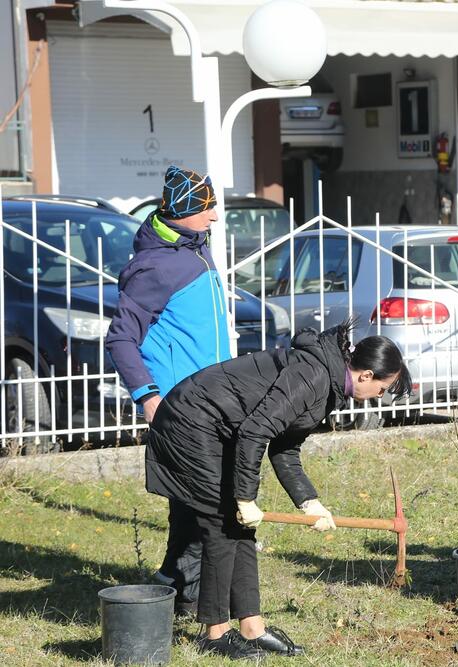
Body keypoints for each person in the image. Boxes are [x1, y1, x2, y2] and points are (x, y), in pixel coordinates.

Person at [145, 324, 411, 659]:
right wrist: (244, 497)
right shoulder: (313, 375)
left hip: (217, 426)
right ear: (366, 375)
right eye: (382, 388)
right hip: (191, 422)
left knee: (240, 525)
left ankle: (252, 627)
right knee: (221, 523)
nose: (379, 396)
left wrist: (309, 501)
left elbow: (283, 448)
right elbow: (257, 431)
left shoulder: (327, 384)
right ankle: (214, 633)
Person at [106, 165, 229, 616]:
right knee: (207, 506)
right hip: (182, 406)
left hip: (214, 400)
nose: (215, 216)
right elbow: (121, 338)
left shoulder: (194, 248)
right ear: (181, 211)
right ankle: (193, 600)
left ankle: (173, 588)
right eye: (206, 208)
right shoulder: (156, 266)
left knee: (191, 508)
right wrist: (148, 397)